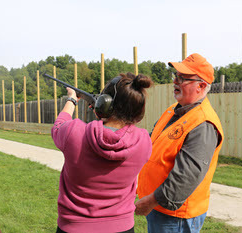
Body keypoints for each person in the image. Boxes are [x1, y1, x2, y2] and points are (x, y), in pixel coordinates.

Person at [51, 72, 154, 233]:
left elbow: (59, 125)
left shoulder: (74, 132)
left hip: (74, 227)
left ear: (103, 103)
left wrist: (72, 99)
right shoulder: (144, 142)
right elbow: (118, 131)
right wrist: (103, 117)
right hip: (122, 227)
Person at [135, 53, 224, 233]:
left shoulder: (203, 124)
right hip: (159, 207)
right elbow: (150, 142)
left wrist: (151, 201)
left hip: (175, 216)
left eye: (183, 78)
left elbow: (186, 177)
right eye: (176, 75)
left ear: (201, 86)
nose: (175, 81)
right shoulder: (173, 111)